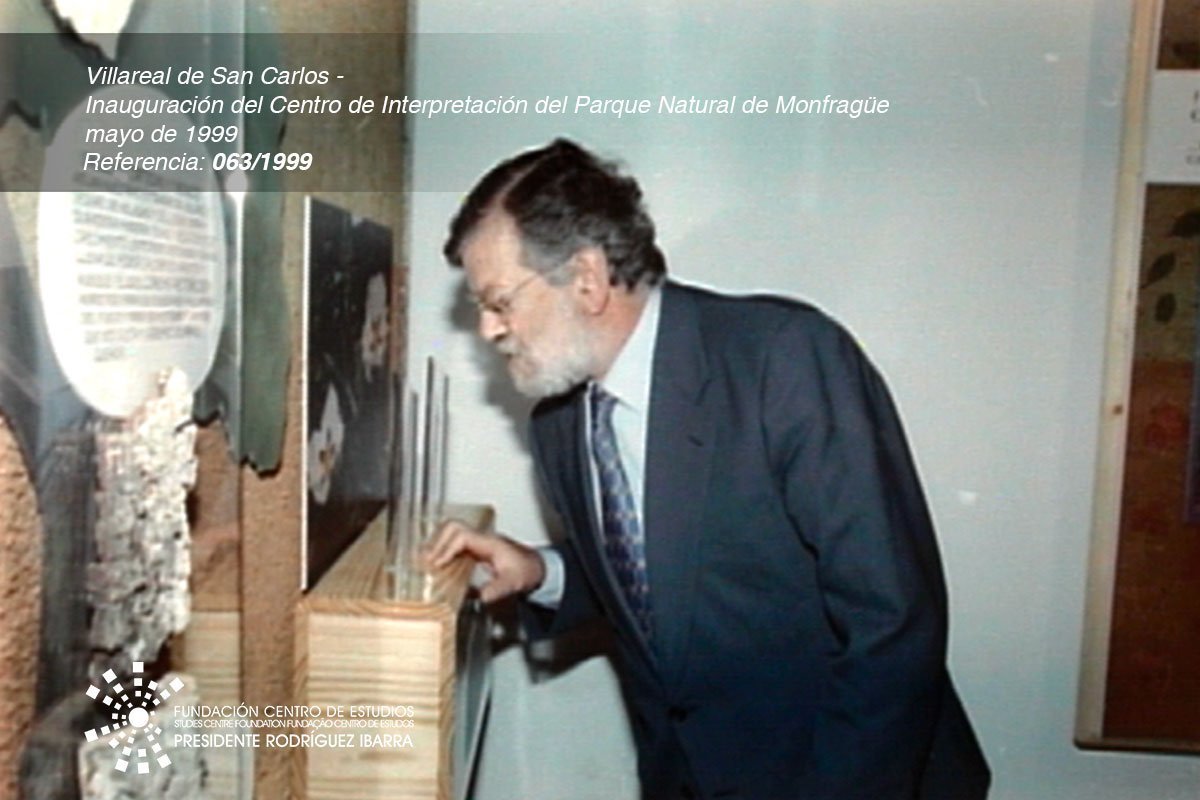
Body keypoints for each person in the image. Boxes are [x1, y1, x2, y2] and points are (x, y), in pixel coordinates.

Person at [425, 139, 990, 800]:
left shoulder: (785, 360)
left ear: (586, 277)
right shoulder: (559, 424)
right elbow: (660, 582)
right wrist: (542, 571)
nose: (489, 330)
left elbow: (892, 625)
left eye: (499, 302)